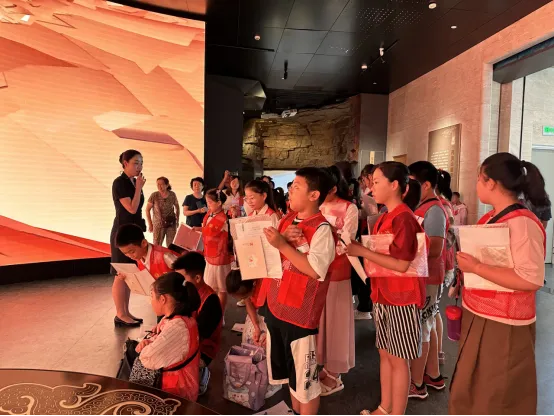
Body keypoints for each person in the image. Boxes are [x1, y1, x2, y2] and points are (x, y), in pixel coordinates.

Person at [449, 152, 546, 416]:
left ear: (490, 182)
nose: (476, 185)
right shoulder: (492, 217)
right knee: (473, 388)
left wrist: (476, 267)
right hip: (480, 313)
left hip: (505, 322)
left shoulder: (523, 223)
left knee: (497, 395)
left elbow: (531, 278)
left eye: (479, 179)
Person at [347, 161, 426, 416]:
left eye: (377, 182)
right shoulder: (386, 216)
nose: (372, 188)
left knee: (398, 359)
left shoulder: (404, 218)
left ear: (394, 185)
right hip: (383, 293)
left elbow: (402, 264)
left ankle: (395, 412)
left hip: (401, 297)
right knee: (385, 353)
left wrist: (363, 251)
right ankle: (384, 407)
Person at [260, 167, 336, 416]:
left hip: (300, 313)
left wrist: (282, 244)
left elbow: (315, 270)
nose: (290, 190)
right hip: (277, 305)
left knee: (306, 380)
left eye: (296, 187)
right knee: (291, 376)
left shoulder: (322, 229)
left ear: (314, 195)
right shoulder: (288, 219)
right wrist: (281, 239)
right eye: (291, 186)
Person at [317, 166, 358, 396]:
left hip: (337, 270)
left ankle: (335, 372)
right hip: (316, 271)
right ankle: (323, 364)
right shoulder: (317, 205)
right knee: (320, 321)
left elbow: (347, 243)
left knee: (336, 322)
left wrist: (327, 231)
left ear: (333, 188)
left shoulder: (349, 208)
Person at [409, 161, 448, 399]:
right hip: (422, 274)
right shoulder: (422, 206)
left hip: (429, 276)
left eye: (411, 183)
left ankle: (416, 383)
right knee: (428, 324)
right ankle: (432, 375)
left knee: (422, 328)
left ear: (425, 185)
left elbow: (435, 248)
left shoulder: (434, 210)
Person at [135, 272, 201, 402]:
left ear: (163, 299)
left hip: (177, 395)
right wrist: (149, 342)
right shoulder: (179, 318)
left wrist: (144, 347)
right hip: (181, 385)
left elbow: (148, 358)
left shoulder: (177, 327)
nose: (150, 301)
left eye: (152, 296)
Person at [225, 269, 282, 399]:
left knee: (269, 349)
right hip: (257, 315)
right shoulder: (247, 287)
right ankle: (258, 376)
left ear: (254, 286)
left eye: (243, 296)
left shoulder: (267, 287)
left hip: (273, 318)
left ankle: (275, 381)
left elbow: (275, 314)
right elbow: (249, 304)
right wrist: (256, 327)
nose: (242, 299)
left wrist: (268, 333)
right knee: (250, 343)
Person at [173, 252, 222, 396]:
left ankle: (200, 372)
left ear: (198, 278)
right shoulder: (185, 294)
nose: (179, 284)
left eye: (182, 279)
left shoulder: (211, 301)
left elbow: (198, 336)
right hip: (184, 341)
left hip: (202, 349)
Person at [115, 224, 178, 326]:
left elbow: (185, 275)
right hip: (161, 303)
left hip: (175, 304)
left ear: (144, 243)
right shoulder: (140, 257)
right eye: (126, 254)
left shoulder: (165, 256)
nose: (130, 256)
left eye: (132, 251)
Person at [110, 149, 147, 326]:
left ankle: (126, 312)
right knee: (121, 273)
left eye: (141, 163)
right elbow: (131, 208)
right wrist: (139, 188)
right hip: (123, 233)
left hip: (134, 231)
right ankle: (120, 314)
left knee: (129, 274)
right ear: (125, 163)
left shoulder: (132, 181)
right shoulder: (120, 183)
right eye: (136, 163)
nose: (139, 167)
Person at [236, 179, 279, 309]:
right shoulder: (251, 214)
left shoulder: (271, 216)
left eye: (252, 198)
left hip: (267, 262)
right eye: (246, 198)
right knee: (253, 294)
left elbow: (276, 242)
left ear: (264, 196)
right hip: (253, 259)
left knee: (264, 295)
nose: (249, 201)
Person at [353, 163, 378, 320]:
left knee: (367, 273)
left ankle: (365, 307)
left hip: (371, 238)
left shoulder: (370, 197)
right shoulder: (368, 195)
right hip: (368, 237)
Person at [436, 170, 456, 365]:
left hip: (443, 263)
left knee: (433, 310)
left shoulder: (442, 205)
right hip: (441, 262)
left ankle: (438, 353)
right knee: (433, 311)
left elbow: (450, 237)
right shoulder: (440, 203)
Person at [202, 189, 233, 315]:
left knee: (221, 288)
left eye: (210, 202)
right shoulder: (209, 213)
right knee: (210, 286)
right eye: (207, 202)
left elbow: (210, 232)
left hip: (220, 257)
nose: (208, 205)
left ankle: (221, 314)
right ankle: (213, 313)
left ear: (219, 203)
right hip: (209, 254)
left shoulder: (223, 218)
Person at [146, 177, 180, 247]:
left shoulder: (172, 194)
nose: (159, 186)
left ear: (167, 185)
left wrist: (177, 220)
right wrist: (150, 224)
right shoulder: (154, 195)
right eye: (158, 184)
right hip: (158, 224)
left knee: (172, 245)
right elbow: (147, 210)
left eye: (161, 184)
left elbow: (177, 207)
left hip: (171, 223)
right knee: (157, 245)